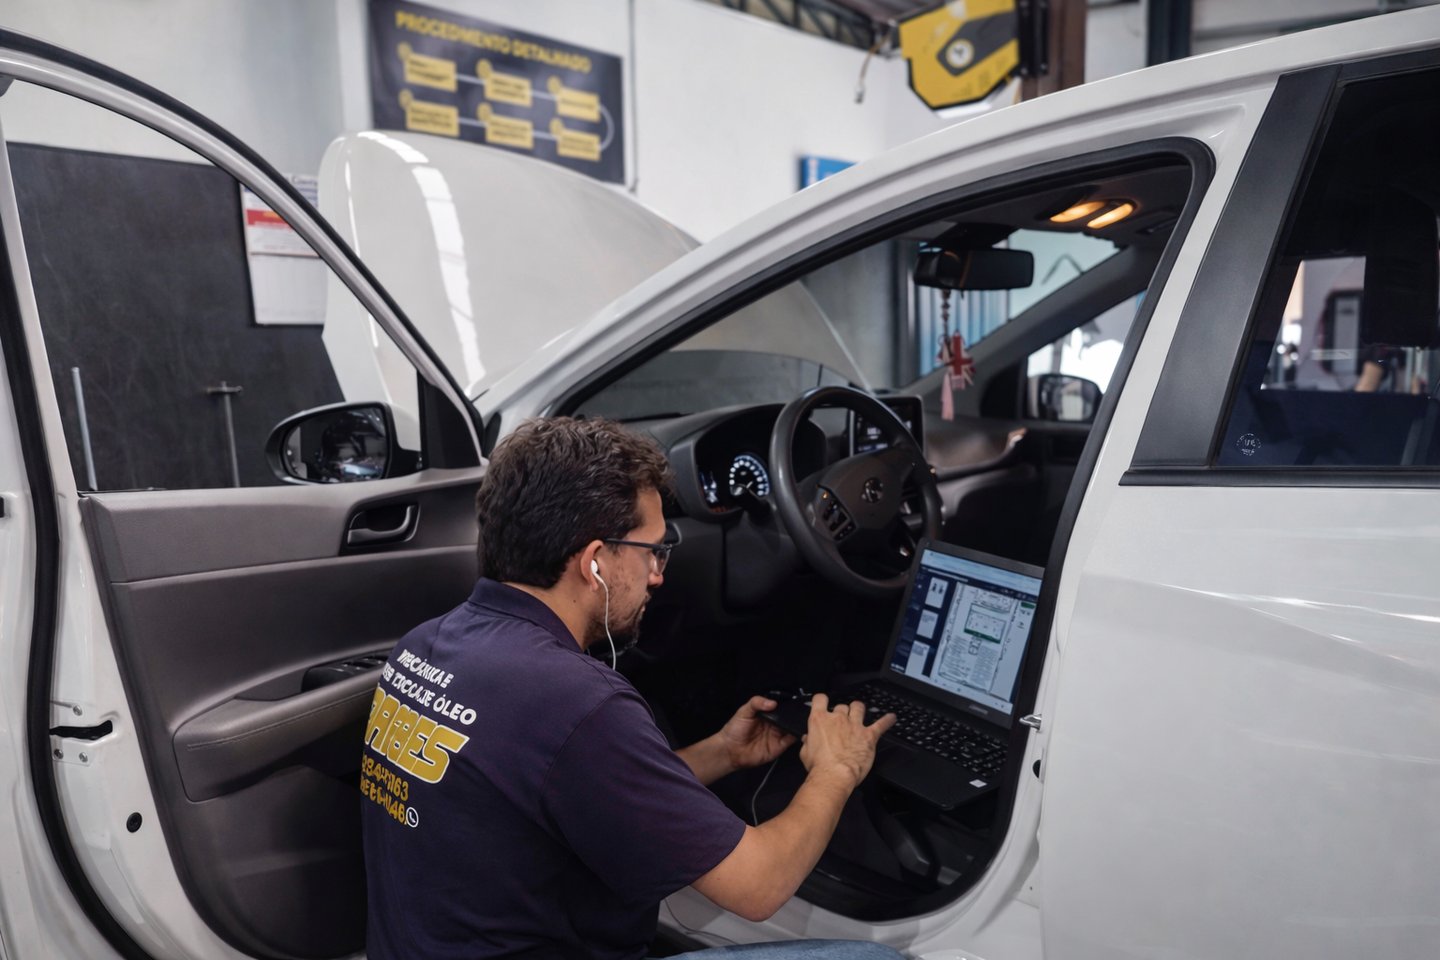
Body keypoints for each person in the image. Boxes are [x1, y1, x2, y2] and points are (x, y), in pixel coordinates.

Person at [361, 417, 902, 960]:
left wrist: (722, 753)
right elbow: (759, 885)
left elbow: (577, 789)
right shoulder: (575, 701)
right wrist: (837, 768)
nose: (659, 574)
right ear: (595, 562)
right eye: (652, 551)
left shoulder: (424, 645)